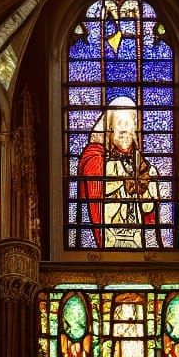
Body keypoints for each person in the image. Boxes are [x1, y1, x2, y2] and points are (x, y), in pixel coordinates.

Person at [77, 96, 160, 249]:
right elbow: (94, 181)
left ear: (134, 128)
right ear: (110, 128)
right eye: (119, 123)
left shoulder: (146, 168)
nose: (123, 129)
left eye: (128, 123)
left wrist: (143, 189)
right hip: (110, 237)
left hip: (136, 239)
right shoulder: (97, 159)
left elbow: (148, 210)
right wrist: (124, 176)